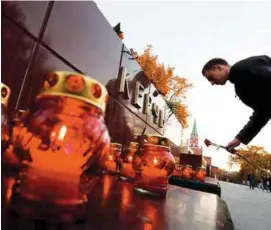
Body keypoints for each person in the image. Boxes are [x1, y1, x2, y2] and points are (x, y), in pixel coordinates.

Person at [202, 55, 271, 151]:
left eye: (210, 78)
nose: (212, 83)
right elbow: (263, 113)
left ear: (218, 67)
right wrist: (239, 138)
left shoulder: (245, 67)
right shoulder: (240, 87)